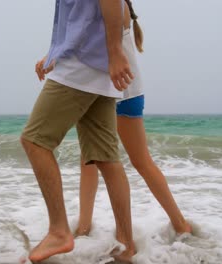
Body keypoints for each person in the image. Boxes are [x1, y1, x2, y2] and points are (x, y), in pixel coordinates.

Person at [21, 0, 136, 262]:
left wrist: (116, 51)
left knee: (35, 140)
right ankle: (126, 245)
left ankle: (59, 232)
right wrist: (54, 55)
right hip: (96, 63)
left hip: (84, 62)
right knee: (106, 158)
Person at [75, 0, 193, 238]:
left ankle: (181, 225)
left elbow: (96, 45)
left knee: (140, 162)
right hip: (104, 93)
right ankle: (83, 228)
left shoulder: (116, 6)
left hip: (121, 95)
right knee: (89, 162)